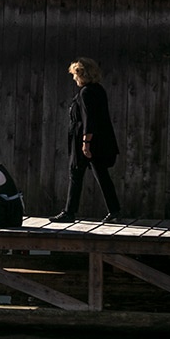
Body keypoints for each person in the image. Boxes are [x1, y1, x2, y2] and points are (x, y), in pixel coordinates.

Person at [50, 57, 121, 223]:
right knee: (101, 175)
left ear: (81, 74)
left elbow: (89, 119)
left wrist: (85, 143)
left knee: (75, 173)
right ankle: (114, 210)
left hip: (87, 141)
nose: (74, 78)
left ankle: (69, 212)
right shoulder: (99, 90)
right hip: (99, 141)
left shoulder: (86, 93)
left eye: (75, 75)